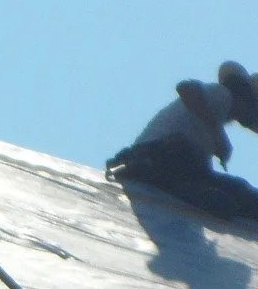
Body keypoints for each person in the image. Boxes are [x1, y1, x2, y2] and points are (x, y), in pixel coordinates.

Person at [106, 61, 258, 219]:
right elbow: (185, 88)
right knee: (232, 196)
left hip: (163, 160)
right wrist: (217, 134)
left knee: (235, 193)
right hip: (160, 154)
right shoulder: (222, 94)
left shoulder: (214, 112)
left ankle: (166, 180)